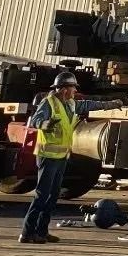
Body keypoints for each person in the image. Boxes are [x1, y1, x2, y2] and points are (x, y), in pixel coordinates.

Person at [19, 70, 88, 245]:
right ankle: (27, 233)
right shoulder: (48, 103)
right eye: (73, 88)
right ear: (64, 89)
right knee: (42, 195)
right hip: (47, 157)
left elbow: (89, 105)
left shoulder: (70, 104)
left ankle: (42, 231)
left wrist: (112, 104)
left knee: (53, 195)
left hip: (61, 156)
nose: (75, 91)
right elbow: (35, 120)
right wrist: (45, 124)